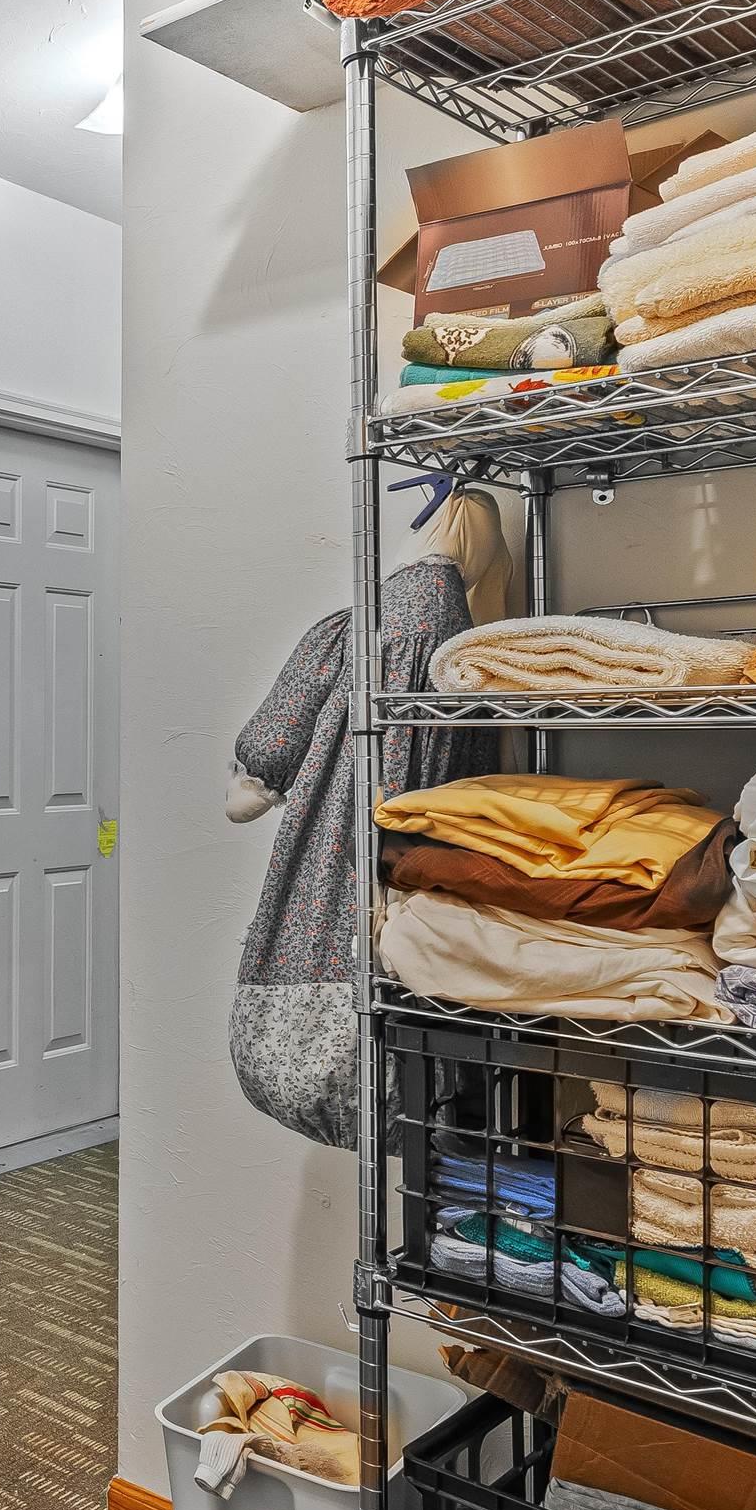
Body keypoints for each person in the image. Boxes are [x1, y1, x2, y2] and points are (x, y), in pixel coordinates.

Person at [224, 490, 507, 1148]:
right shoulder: (475, 651)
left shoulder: (362, 628)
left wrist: (257, 775)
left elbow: (263, 764)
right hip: (436, 872)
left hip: (349, 857)